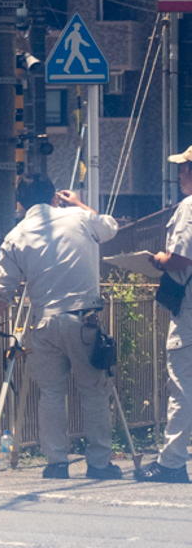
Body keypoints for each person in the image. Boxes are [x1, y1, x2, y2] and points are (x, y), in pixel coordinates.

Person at [0, 174, 122, 480]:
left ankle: (56, 462)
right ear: (54, 196)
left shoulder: (16, 235)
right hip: (83, 320)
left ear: (19, 203)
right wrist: (79, 203)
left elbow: (2, 288)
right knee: (93, 392)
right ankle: (99, 463)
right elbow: (110, 227)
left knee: (51, 394)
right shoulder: (79, 217)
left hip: (42, 322)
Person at [136, 147, 192, 483]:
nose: (179, 174)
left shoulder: (189, 208)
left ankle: (171, 462)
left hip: (189, 311)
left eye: (183, 168)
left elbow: (182, 259)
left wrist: (159, 259)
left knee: (183, 386)